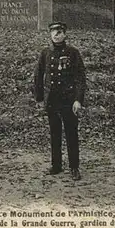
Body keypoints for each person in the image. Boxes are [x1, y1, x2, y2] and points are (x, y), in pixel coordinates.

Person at [34, 21, 86, 180]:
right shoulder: (45, 53)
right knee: (55, 133)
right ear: (50, 34)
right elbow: (38, 75)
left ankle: (74, 167)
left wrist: (78, 100)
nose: (57, 35)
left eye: (60, 32)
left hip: (68, 100)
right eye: (54, 32)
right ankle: (56, 165)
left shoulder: (73, 53)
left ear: (65, 34)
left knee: (71, 133)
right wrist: (40, 98)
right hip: (52, 100)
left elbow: (80, 78)